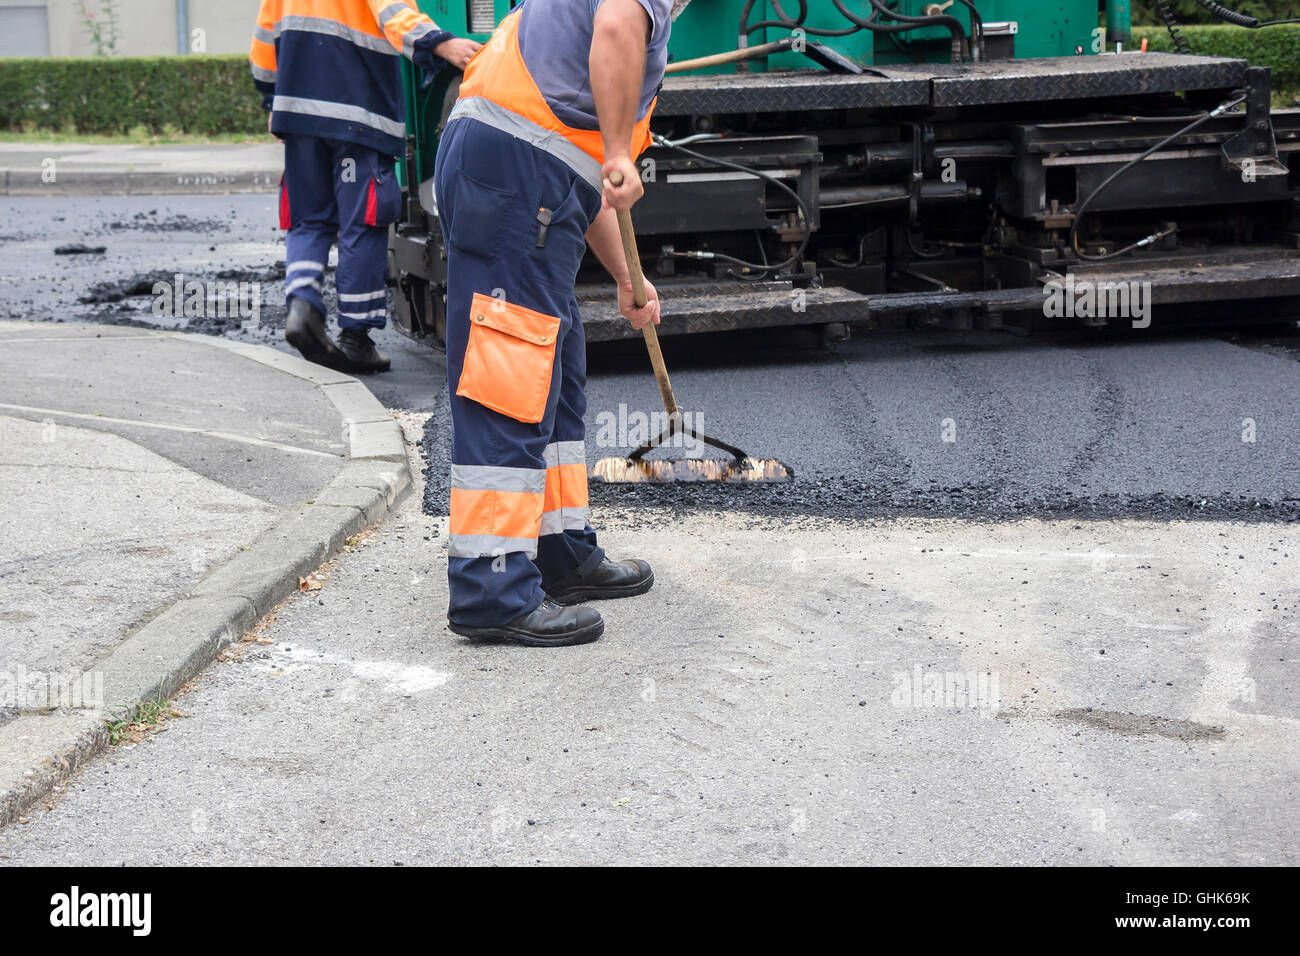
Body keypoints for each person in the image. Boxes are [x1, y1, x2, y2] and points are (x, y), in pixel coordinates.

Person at [434, 0, 672, 647]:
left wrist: (628, 277)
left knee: (554, 361)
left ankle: (558, 550)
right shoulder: (636, 12)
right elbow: (620, 24)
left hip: (523, 169)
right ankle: (491, 585)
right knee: (509, 374)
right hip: (514, 172)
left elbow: (586, 165)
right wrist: (623, 150)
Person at [250, 0, 480, 374]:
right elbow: (393, 13)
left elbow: (261, 50)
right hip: (358, 117)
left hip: (298, 117)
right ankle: (356, 339)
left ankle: (302, 305)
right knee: (363, 220)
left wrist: (273, 103)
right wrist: (441, 44)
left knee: (308, 219)